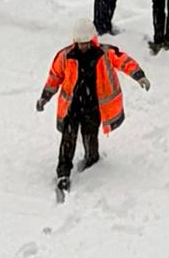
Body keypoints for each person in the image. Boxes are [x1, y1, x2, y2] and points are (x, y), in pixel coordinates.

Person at [38, 30, 145, 197]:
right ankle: (63, 173)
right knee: (68, 139)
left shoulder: (104, 53)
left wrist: (139, 76)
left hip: (93, 107)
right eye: (81, 43)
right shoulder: (65, 56)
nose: (83, 46)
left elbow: (124, 61)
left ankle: (92, 162)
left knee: (91, 137)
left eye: (86, 43)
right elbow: (55, 77)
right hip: (72, 107)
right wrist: (45, 97)